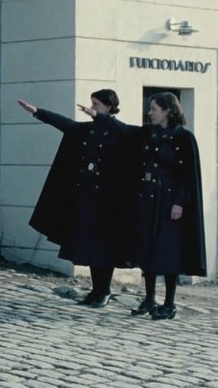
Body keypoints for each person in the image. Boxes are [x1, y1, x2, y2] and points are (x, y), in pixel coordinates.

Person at [84, 92, 206, 320]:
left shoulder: (183, 138)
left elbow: (186, 175)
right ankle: (150, 299)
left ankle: (169, 304)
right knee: (147, 249)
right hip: (147, 199)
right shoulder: (148, 133)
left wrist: (179, 203)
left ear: (168, 111)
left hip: (168, 201)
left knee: (168, 252)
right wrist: (99, 116)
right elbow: (124, 129)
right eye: (150, 109)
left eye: (154, 109)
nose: (150, 113)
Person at [17, 89, 140, 308]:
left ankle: (104, 291)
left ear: (108, 107)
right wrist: (37, 112)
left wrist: (100, 118)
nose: (91, 108)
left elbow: (127, 140)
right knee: (89, 244)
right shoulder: (87, 130)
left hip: (110, 202)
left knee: (104, 247)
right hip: (88, 197)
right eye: (91, 103)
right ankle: (96, 290)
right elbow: (65, 124)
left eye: (96, 104)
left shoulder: (121, 132)